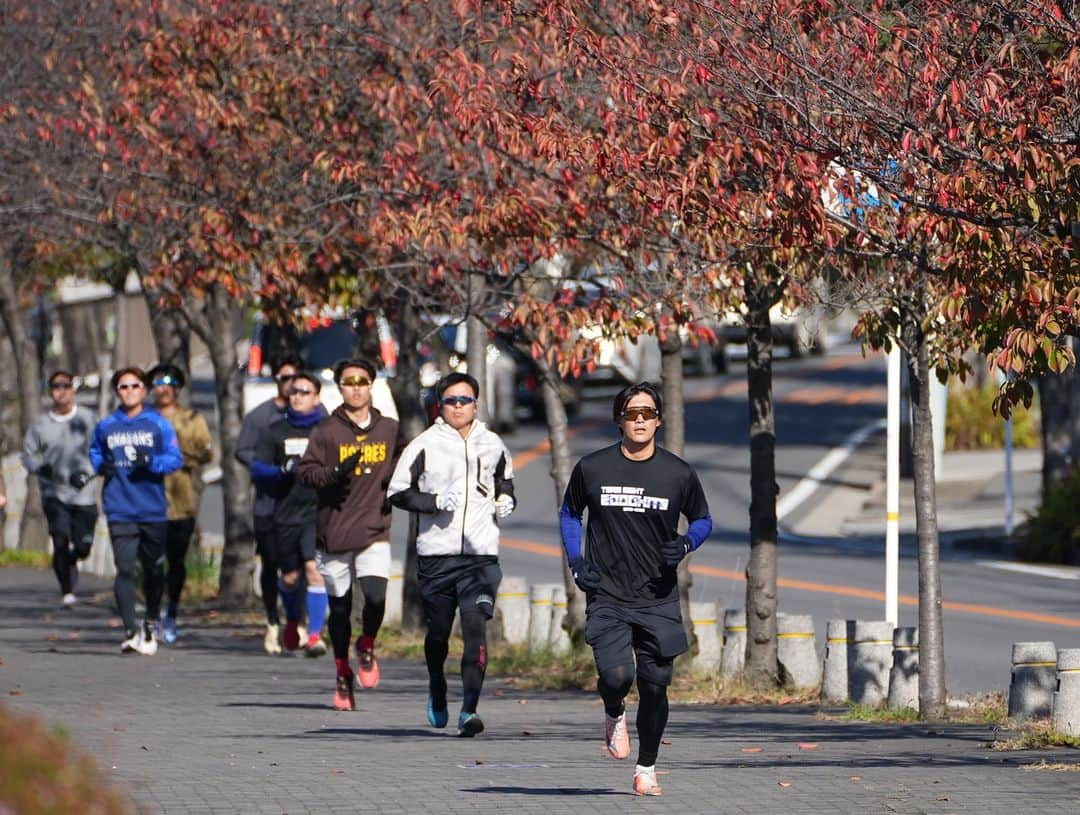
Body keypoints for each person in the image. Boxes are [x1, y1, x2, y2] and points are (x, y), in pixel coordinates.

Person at [559, 381, 712, 796]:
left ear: (659, 420)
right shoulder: (593, 468)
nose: (640, 419)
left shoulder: (678, 472)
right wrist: (576, 563)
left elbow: (702, 520)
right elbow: (571, 514)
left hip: (658, 595)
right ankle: (613, 710)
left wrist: (685, 543)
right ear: (619, 420)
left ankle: (646, 768)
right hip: (606, 591)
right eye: (631, 413)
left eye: (647, 413)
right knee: (616, 676)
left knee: (655, 685)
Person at [387, 372, 515, 737]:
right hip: (437, 556)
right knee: (439, 633)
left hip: (481, 556)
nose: (459, 406)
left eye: (466, 400)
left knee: (475, 628)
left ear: (476, 403)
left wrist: (506, 499)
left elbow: (505, 480)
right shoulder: (424, 445)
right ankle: (436, 685)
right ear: (439, 405)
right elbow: (397, 492)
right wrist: (434, 503)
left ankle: (470, 710)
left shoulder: (493, 443)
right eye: (451, 401)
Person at [299, 358, 400, 710]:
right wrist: (331, 474)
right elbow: (306, 473)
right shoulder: (326, 431)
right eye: (348, 382)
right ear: (339, 388)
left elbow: (407, 464)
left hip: (375, 526)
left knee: (375, 597)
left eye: (362, 381)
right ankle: (343, 673)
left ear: (371, 386)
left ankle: (367, 643)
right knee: (340, 611)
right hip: (334, 533)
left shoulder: (389, 429)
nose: (355, 387)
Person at [81, 366, 183, 655]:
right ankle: (129, 630)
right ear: (116, 392)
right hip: (119, 507)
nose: (129, 392)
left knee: (153, 571)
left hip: (152, 509)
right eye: (123, 387)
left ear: (144, 390)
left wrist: (150, 462)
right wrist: (102, 466)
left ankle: (150, 623)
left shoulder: (158, 424)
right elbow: (96, 452)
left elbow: (174, 459)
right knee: (124, 569)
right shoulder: (107, 425)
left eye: (135, 386)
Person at [250, 371, 328, 657]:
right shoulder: (275, 430)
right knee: (291, 577)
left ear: (317, 397)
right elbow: (257, 468)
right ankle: (293, 619)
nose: (298, 396)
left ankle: (316, 635)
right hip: (284, 513)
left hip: (316, 512)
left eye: (305, 392)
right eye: (294, 391)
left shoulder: (326, 429)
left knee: (314, 570)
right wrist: (281, 471)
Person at [235, 355, 302, 654]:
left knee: (302, 564)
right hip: (268, 503)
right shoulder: (260, 417)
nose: (292, 386)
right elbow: (242, 451)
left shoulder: (314, 415)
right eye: (285, 379)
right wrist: (270, 468)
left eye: (297, 380)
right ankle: (272, 619)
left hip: (301, 504)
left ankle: (298, 620)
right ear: (277, 381)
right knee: (272, 563)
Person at [147, 363, 213, 644]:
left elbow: (206, 452)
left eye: (168, 382)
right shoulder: (143, 418)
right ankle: (151, 613)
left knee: (175, 562)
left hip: (181, 500)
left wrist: (180, 455)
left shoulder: (191, 419)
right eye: (157, 382)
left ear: (178, 388)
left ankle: (171, 611)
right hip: (147, 500)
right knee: (151, 562)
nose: (162, 388)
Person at [21, 371, 99, 607]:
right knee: (60, 539)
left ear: (73, 390)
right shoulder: (41, 425)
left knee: (84, 546)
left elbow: (103, 451)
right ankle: (67, 590)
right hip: (54, 493)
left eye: (66, 385)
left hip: (84, 493)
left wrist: (89, 474)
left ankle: (72, 560)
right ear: (50, 391)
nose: (61, 390)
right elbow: (28, 454)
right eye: (56, 386)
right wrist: (40, 468)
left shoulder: (88, 419)